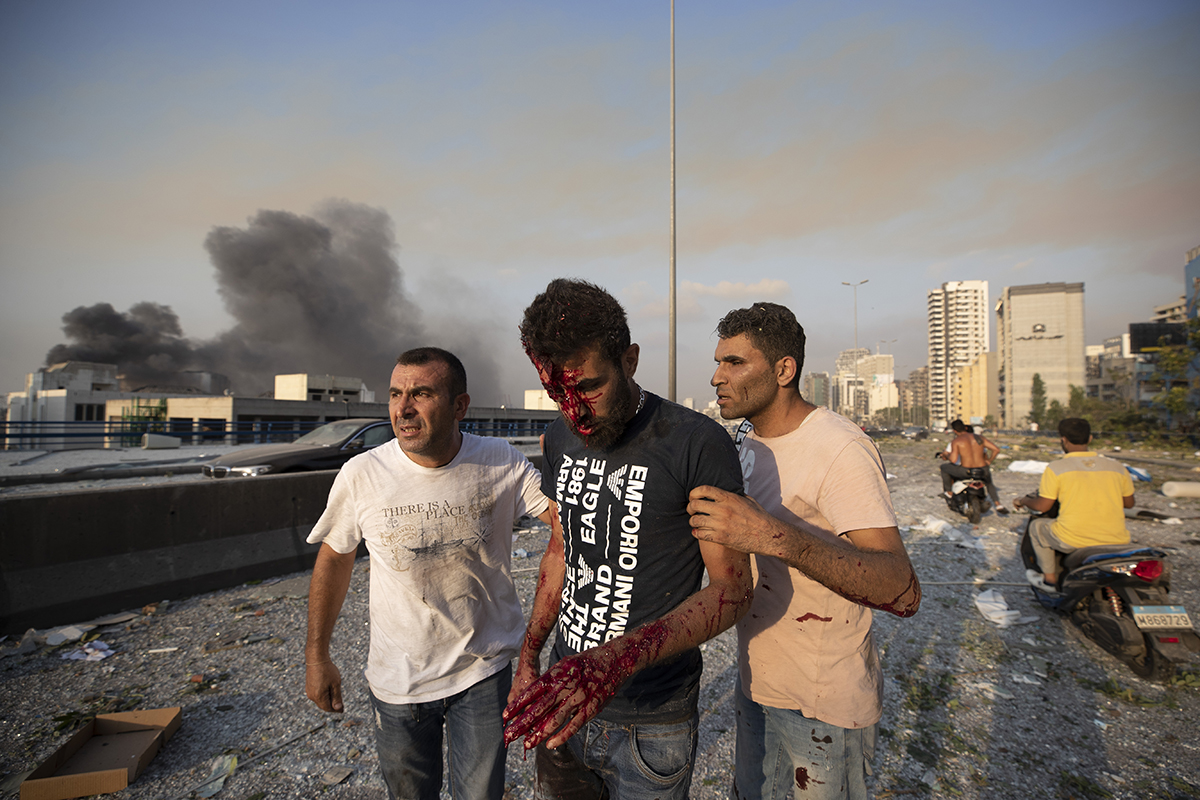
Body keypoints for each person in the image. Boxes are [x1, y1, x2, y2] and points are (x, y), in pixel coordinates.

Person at [503, 278, 753, 800]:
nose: (576, 411)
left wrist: (616, 660)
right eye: (557, 393)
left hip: (651, 719)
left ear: (630, 360)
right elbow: (561, 549)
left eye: (589, 386)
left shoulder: (694, 443)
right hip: (560, 698)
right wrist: (529, 659)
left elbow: (731, 591)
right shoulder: (558, 438)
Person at [686, 302, 922, 800]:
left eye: (734, 363)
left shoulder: (840, 449)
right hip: (758, 683)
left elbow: (898, 586)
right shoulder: (745, 440)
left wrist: (771, 535)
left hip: (823, 704)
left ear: (784, 370)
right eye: (718, 362)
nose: (716, 377)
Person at [304, 347, 553, 800]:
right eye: (396, 394)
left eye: (421, 393)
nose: (403, 408)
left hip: (481, 671)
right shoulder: (362, 473)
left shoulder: (501, 461)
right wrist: (317, 656)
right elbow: (335, 559)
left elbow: (566, 520)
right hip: (398, 680)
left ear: (460, 406)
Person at [1013, 417, 1135, 593]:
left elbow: (1043, 506)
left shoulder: (1057, 468)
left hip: (1073, 538)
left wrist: (1022, 501)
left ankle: (1049, 581)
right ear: (1090, 438)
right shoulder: (1117, 467)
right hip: (1117, 538)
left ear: (1063, 440)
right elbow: (1129, 503)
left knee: (1037, 527)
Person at [937, 419, 1009, 514]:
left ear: (955, 431)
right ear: (965, 427)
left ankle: (949, 492)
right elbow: (996, 449)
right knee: (989, 482)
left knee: (944, 468)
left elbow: (953, 460)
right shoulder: (979, 438)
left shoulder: (957, 441)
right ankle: (998, 504)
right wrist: (989, 461)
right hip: (982, 469)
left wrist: (946, 455)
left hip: (966, 470)